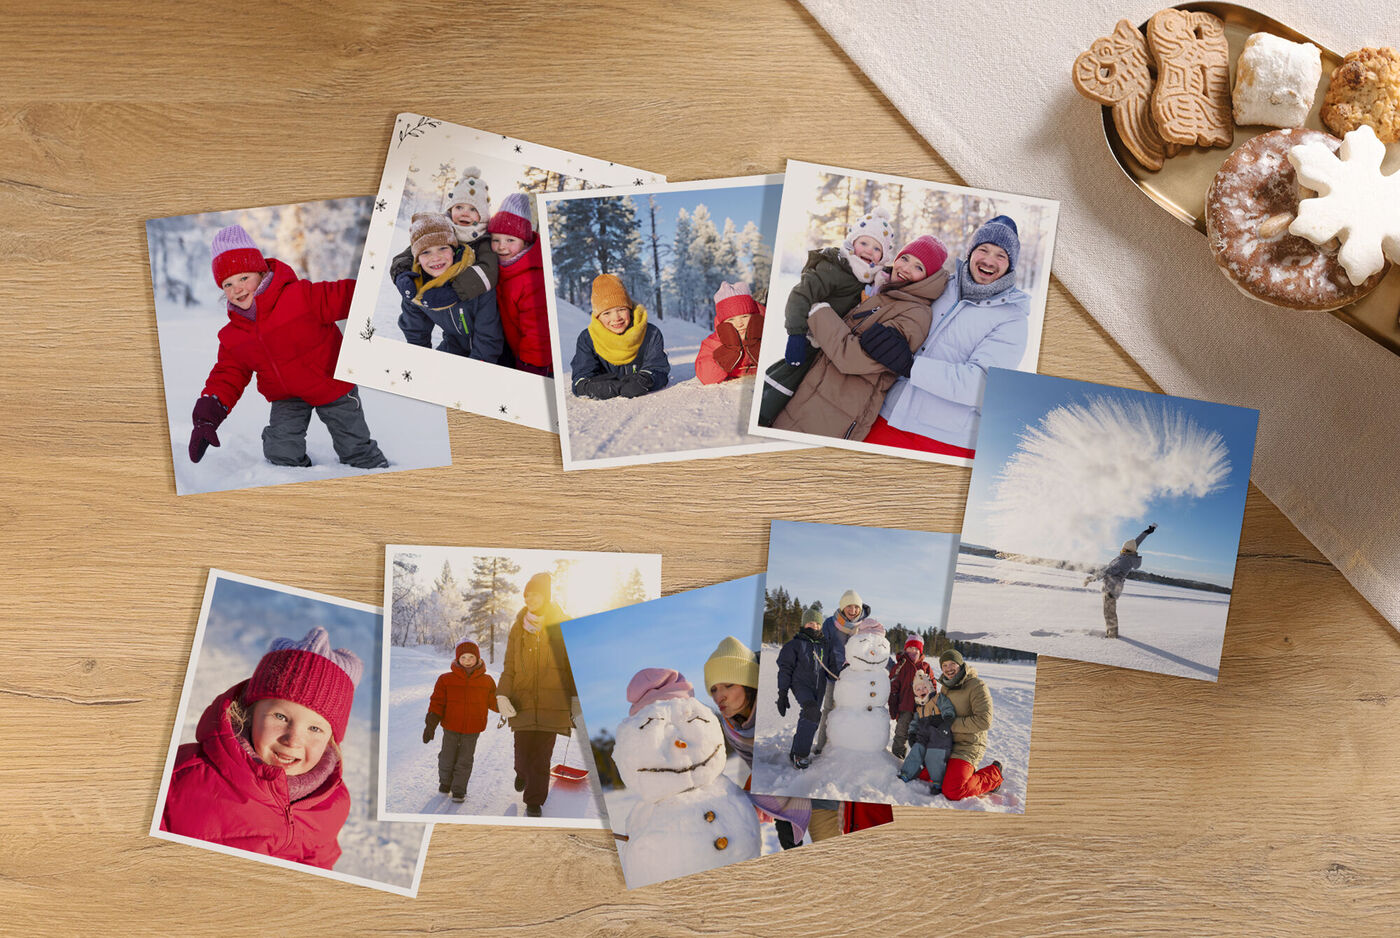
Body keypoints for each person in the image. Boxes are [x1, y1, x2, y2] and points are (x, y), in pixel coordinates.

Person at [189, 225, 388, 470]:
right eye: (227, 284)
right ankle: (295, 482)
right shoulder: (235, 335)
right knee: (280, 451)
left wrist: (383, 285)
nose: (237, 289)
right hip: (287, 397)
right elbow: (226, 376)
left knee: (356, 447)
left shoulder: (301, 296)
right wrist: (206, 418)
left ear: (261, 273)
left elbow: (347, 295)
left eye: (243, 278)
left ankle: (372, 473)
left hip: (332, 384)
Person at [161, 627, 362, 869]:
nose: (293, 740)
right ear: (250, 713)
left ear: (332, 739)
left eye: (314, 729)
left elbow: (319, 865)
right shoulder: (182, 775)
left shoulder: (330, 802)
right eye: (280, 716)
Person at [861, 214, 1031, 458]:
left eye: (1001, 255)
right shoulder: (939, 286)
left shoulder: (1012, 319)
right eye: (983, 249)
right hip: (886, 415)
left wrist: (911, 366)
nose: (989, 260)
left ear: (1009, 265)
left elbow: (982, 385)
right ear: (971, 252)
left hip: (945, 440)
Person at [772, 236, 948, 441]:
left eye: (919, 267)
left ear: (929, 277)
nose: (906, 268)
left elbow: (853, 358)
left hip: (837, 414)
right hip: (814, 393)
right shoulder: (882, 289)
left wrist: (819, 311)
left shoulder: (916, 314)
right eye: (905, 258)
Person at [758, 208, 894, 425]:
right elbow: (800, 295)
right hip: (810, 341)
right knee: (785, 382)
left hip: (832, 350)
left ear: (883, 255)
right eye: (864, 243)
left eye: (877, 248)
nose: (869, 251)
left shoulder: (871, 279)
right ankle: (761, 417)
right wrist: (796, 334)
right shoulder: (834, 268)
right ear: (852, 243)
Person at [705, 636, 812, 849]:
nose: (720, 697)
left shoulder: (777, 706)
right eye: (714, 689)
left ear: (749, 684)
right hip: (779, 786)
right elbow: (754, 763)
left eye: (728, 685)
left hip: (809, 773)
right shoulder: (731, 727)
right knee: (789, 838)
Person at [496, 573, 579, 818]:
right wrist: (502, 695)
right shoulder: (517, 628)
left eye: (535, 594)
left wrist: (575, 700)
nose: (530, 599)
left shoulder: (563, 626)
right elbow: (509, 665)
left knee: (541, 757)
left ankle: (534, 802)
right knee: (522, 755)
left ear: (546, 595)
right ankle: (522, 773)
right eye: (526, 595)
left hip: (553, 703)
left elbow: (574, 664)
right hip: (522, 701)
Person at [389, 165, 499, 323]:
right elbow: (411, 252)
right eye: (459, 207)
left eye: (472, 209)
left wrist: (455, 292)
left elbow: (489, 270)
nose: (464, 213)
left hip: (469, 305)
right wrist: (401, 274)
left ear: (482, 214)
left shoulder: (484, 240)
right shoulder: (442, 229)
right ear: (450, 209)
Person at [394, 212, 504, 362]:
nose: (435, 257)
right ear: (417, 258)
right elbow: (416, 335)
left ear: (453, 249)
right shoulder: (415, 288)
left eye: (442, 248)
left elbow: (488, 340)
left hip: (493, 356)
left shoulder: (477, 283)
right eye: (425, 252)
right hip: (454, 346)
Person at [570, 274, 670, 399]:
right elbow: (580, 377)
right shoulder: (588, 339)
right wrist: (589, 387)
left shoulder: (650, 333)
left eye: (621, 309)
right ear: (597, 316)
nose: (616, 318)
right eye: (606, 313)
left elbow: (658, 368)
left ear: (629, 309)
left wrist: (646, 379)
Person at [486, 192, 553, 376]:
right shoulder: (499, 266)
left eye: (510, 240)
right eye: (496, 240)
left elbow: (537, 334)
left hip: (535, 364)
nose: (501, 246)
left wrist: (530, 369)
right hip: (513, 352)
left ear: (524, 241)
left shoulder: (532, 279)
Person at [423, 640, 498, 803]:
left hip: (473, 728)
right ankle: (445, 782)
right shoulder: (445, 679)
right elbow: (437, 702)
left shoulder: (487, 681)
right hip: (451, 726)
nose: (467, 660)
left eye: (471, 656)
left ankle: (458, 790)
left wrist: (508, 706)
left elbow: (494, 702)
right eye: (463, 657)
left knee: (465, 759)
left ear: (478, 658)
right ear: (457, 659)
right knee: (446, 757)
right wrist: (431, 723)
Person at [934, 649, 1003, 800]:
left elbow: (984, 720)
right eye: (944, 665)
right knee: (923, 772)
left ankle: (993, 775)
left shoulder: (976, 685)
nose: (948, 669)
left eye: (952, 664)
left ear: (961, 664)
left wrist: (951, 725)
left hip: (968, 745)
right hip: (948, 743)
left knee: (953, 790)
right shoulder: (945, 686)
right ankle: (956, 772)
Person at [813, 591, 869, 755]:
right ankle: (821, 745)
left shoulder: (865, 625)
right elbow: (821, 646)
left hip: (855, 678)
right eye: (849, 606)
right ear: (842, 607)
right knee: (829, 709)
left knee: (852, 710)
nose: (853, 610)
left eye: (856, 607)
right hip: (833, 676)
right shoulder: (830, 623)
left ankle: (846, 744)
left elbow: (873, 649)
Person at [774, 610, 830, 770]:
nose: (815, 626)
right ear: (804, 624)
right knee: (811, 711)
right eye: (811, 623)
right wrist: (782, 693)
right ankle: (800, 754)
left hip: (819, 687)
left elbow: (832, 666)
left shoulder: (824, 645)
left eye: (818, 624)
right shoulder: (795, 644)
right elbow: (785, 669)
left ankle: (795, 750)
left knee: (812, 716)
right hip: (801, 685)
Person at [1084, 524, 1158, 639]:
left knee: (1109, 612)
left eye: (1124, 549)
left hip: (1111, 589)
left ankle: (1112, 635)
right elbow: (1136, 542)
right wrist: (1146, 532)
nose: (1121, 550)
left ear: (1128, 550)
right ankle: (1111, 633)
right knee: (1109, 611)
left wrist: (1091, 578)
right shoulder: (1130, 554)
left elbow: (1107, 571)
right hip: (1113, 586)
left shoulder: (1125, 561)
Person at [695, 281, 765, 384]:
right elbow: (706, 377)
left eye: (745, 317)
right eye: (731, 320)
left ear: (754, 316)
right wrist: (729, 350)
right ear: (722, 322)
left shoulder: (767, 333)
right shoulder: (714, 342)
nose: (739, 324)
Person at [896, 670, 952, 790]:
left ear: (930, 687)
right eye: (918, 689)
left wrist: (946, 721)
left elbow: (948, 709)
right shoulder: (919, 707)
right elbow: (915, 722)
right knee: (916, 751)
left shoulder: (938, 699)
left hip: (939, 736)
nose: (921, 691)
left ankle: (938, 782)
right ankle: (906, 773)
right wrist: (912, 733)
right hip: (924, 737)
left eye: (924, 687)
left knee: (933, 756)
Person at [887, 634, 935, 760]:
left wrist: (930, 699)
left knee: (919, 733)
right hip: (905, 706)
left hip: (922, 708)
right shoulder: (900, 666)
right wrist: (893, 705)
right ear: (905, 649)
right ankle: (897, 755)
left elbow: (933, 685)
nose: (912, 651)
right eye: (910, 648)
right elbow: (893, 686)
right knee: (901, 731)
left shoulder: (925, 667)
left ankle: (916, 758)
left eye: (916, 649)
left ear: (920, 651)